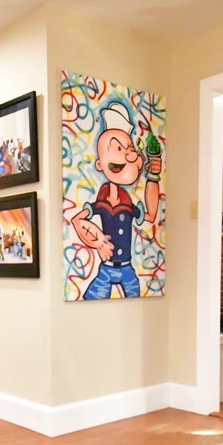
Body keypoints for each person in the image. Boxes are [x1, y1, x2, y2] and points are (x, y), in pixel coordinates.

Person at [70, 102, 163, 300]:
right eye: (119, 148)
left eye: (128, 148)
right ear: (99, 164)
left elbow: (151, 214)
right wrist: (98, 242)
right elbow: (77, 220)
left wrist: (153, 177)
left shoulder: (127, 203)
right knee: (91, 298)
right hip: (106, 269)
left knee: (136, 305)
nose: (128, 154)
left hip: (128, 269)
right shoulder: (101, 200)